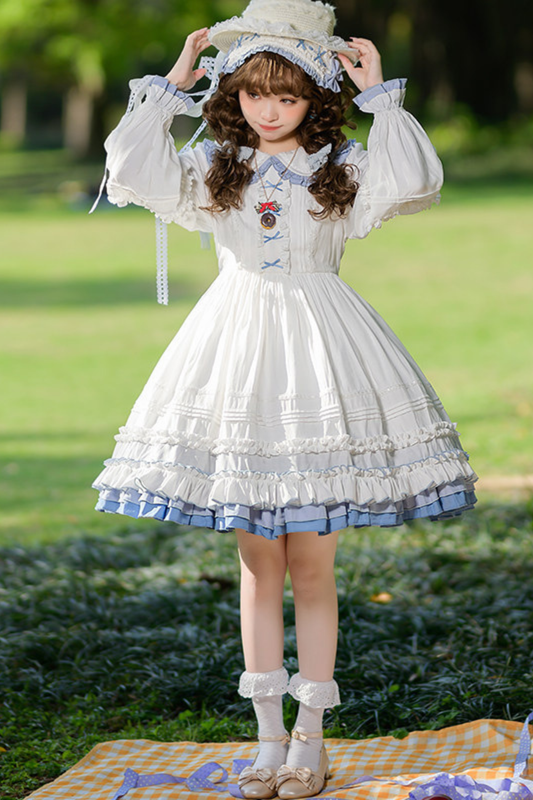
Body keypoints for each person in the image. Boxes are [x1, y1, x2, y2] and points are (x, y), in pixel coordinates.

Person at [92, 1, 478, 797]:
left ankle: (310, 740)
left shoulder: (342, 165)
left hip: (322, 354)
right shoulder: (214, 166)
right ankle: (267, 740)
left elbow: (415, 179)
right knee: (256, 562)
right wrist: (170, 87)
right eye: (253, 94)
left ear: (314, 98)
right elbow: (129, 168)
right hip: (235, 355)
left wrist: (380, 99)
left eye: (287, 95)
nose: (268, 110)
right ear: (231, 95)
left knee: (311, 562)